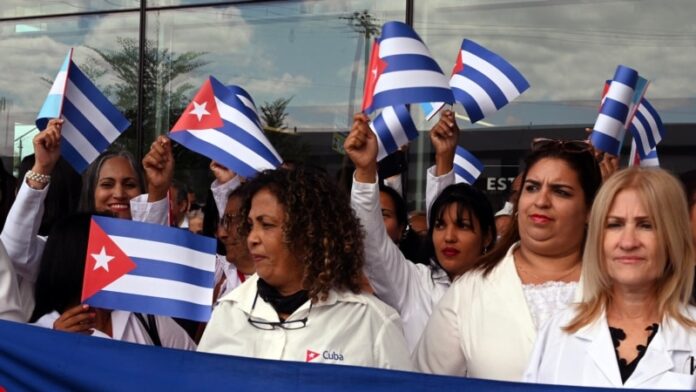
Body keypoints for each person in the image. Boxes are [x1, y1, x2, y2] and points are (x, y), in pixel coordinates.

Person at [412, 138, 603, 381]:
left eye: (560, 192)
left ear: (589, 210)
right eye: (532, 188)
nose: (541, 201)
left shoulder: (618, 286)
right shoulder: (470, 290)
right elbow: (425, 384)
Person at [198, 166, 413, 370]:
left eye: (267, 225)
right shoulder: (228, 313)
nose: (252, 238)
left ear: (309, 232)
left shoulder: (372, 322)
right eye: (251, 225)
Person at [524, 167, 696, 389]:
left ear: (672, 238)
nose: (628, 242)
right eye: (614, 224)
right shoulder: (557, 330)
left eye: (646, 225)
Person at [346, 110, 496, 351]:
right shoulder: (413, 284)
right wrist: (365, 170)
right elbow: (372, 240)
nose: (448, 237)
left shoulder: (502, 290)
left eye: (463, 226)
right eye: (439, 226)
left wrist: (445, 157)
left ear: (487, 235)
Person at [0, 118, 172, 320]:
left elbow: (157, 260)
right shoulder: (69, 244)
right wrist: (42, 168)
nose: (119, 193)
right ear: (91, 191)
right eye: (107, 184)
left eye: (130, 184)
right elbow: (16, 251)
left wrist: (158, 191)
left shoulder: (149, 244)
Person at [29, 213, 195, 350]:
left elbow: (195, 365)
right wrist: (53, 347)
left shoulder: (147, 318)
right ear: (75, 258)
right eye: (108, 249)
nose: (120, 258)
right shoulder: (41, 334)